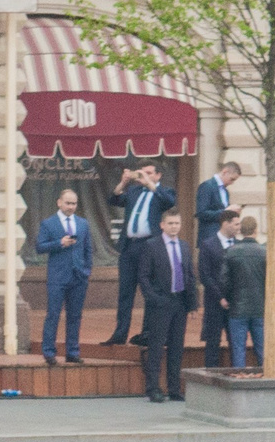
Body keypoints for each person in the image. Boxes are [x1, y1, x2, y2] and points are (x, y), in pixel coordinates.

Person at [106, 162, 176, 346]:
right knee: (125, 292)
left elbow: (169, 202)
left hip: (150, 247)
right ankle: (120, 334)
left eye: (149, 173)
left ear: (158, 175)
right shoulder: (135, 192)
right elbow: (113, 200)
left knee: (149, 291)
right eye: (142, 173)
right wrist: (123, 183)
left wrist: (150, 185)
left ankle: (147, 333)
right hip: (130, 247)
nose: (144, 176)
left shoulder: (163, 192)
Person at [134, 207, 193, 403]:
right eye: (170, 223)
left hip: (180, 302)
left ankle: (174, 388)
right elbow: (143, 276)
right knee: (157, 347)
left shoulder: (184, 246)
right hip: (160, 303)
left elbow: (189, 275)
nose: (174, 226)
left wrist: (192, 303)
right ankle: (153, 388)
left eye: (177, 223)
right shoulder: (152, 246)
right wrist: (154, 299)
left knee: (176, 348)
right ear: (162, 225)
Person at [34, 188, 93, 366]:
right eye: (68, 203)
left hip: (78, 276)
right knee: (53, 314)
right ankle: (49, 352)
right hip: (58, 276)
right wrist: (59, 243)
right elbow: (39, 246)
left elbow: (88, 249)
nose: (71, 207)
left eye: (74, 203)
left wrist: (87, 270)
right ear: (59, 203)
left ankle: (72, 352)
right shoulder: (48, 223)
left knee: (75, 315)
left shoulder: (83, 224)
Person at [222, 215, 268, 369]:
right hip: (260, 307)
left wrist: (229, 297)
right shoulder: (265, 252)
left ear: (241, 231)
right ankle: (267, 383)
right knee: (262, 349)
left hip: (237, 308)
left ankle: (239, 383)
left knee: (238, 350)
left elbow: (224, 280)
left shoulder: (231, 251)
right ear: (256, 230)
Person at [198, 206, 236, 369]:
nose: (239, 227)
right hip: (214, 302)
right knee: (213, 342)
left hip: (235, 303)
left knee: (235, 342)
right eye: (236, 224)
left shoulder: (239, 245)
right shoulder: (208, 245)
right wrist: (220, 297)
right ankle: (210, 376)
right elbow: (205, 274)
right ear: (225, 223)